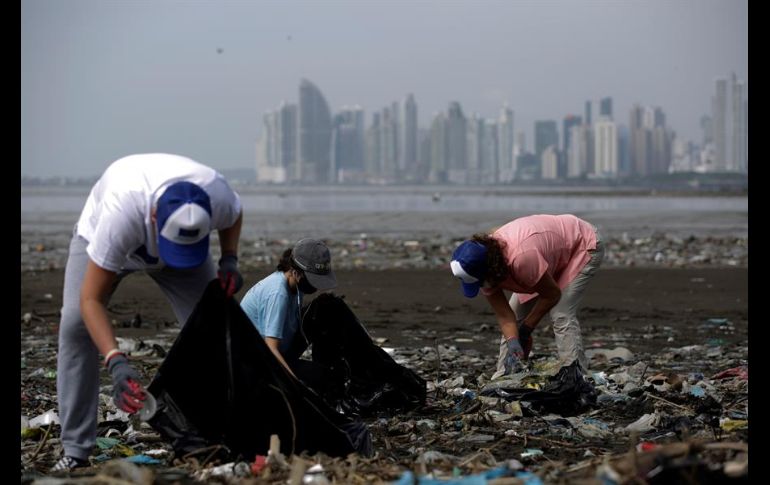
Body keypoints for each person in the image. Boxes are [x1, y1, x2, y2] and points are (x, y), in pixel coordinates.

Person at [53, 153, 244, 471]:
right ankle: (75, 449)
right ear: (154, 216)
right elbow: (91, 300)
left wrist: (229, 259)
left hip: (179, 255)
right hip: (105, 243)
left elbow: (235, 214)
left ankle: (220, 431)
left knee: (216, 325)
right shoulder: (120, 214)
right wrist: (115, 361)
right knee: (74, 325)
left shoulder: (217, 193)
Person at [450, 214, 605, 378]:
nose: (481, 286)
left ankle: (576, 375)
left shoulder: (521, 259)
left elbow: (551, 294)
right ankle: (504, 375)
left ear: (489, 269)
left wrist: (526, 330)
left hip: (580, 244)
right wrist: (513, 340)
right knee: (514, 323)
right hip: (545, 256)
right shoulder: (480, 266)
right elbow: (505, 315)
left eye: (480, 282)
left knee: (561, 313)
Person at [239, 238, 337, 383]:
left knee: (324, 309)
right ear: (295, 272)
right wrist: (294, 384)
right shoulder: (278, 294)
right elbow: (271, 349)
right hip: (256, 363)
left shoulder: (294, 284)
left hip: (281, 347)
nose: (314, 287)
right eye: (312, 280)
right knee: (320, 375)